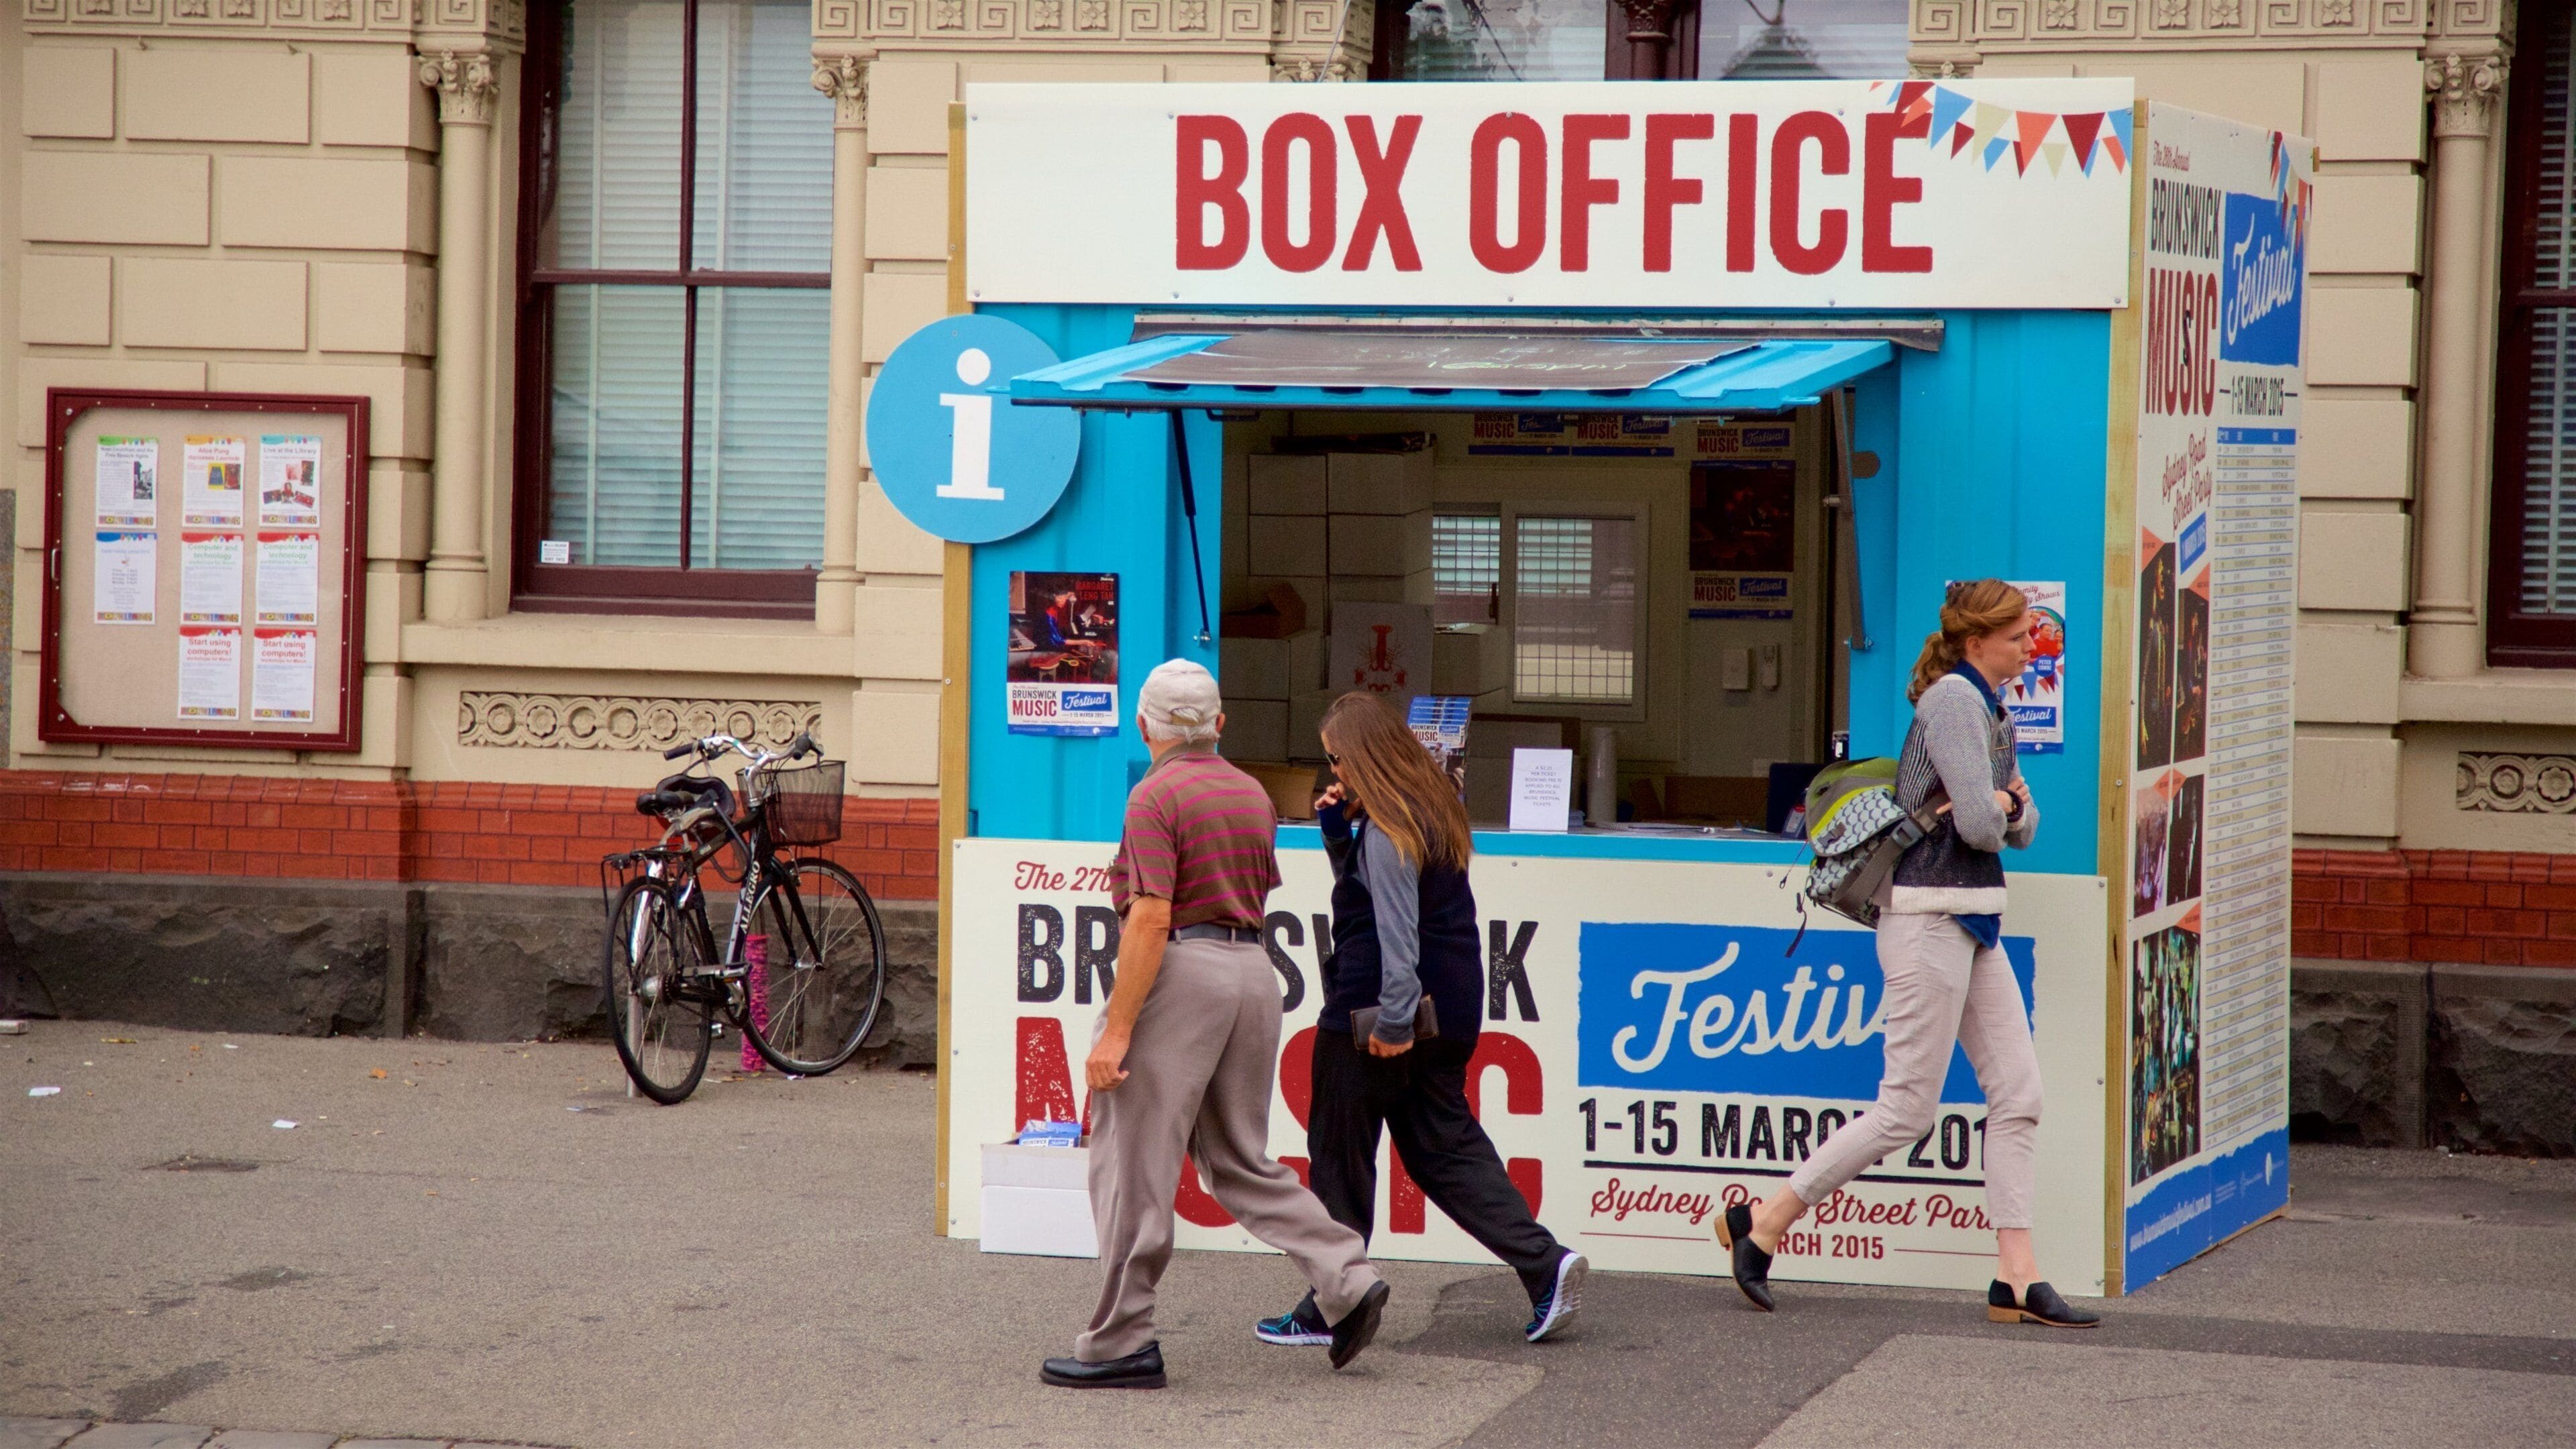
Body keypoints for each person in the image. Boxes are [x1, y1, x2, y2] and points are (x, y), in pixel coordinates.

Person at [1715, 580, 2101, 1330]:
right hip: (1928, 916)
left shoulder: (1991, 706)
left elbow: (2015, 825)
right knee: (1907, 1109)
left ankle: (2016, 1278)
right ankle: (1764, 1223)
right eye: (2021, 635)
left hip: (1973, 917)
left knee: (2019, 1096)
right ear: (1976, 641)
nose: (2033, 646)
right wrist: (2001, 807)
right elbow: (1987, 828)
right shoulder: (1955, 703)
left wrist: (2003, 806)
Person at [1041, 660, 1391, 1391]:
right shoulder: (1251, 793)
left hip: (1183, 973)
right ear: (1221, 724)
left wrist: (1116, 1032)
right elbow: (1248, 890)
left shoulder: (1154, 795)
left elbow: (1151, 916)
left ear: (1145, 727)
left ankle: (1121, 1341)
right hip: (1253, 973)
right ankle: (1346, 1276)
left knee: (1131, 1166)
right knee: (1239, 1159)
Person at [1252, 692, 1588, 1350]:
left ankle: (1333, 1302)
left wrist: (1395, 1021)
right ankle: (1545, 1265)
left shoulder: (1387, 827)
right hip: (1452, 1010)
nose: (1334, 774)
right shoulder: (1431, 811)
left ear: (1366, 757)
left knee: (1340, 1156)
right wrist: (1336, 838)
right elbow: (1385, 897)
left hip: (1376, 1011)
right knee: (1446, 1151)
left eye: (1337, 760)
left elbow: (1394, 932)